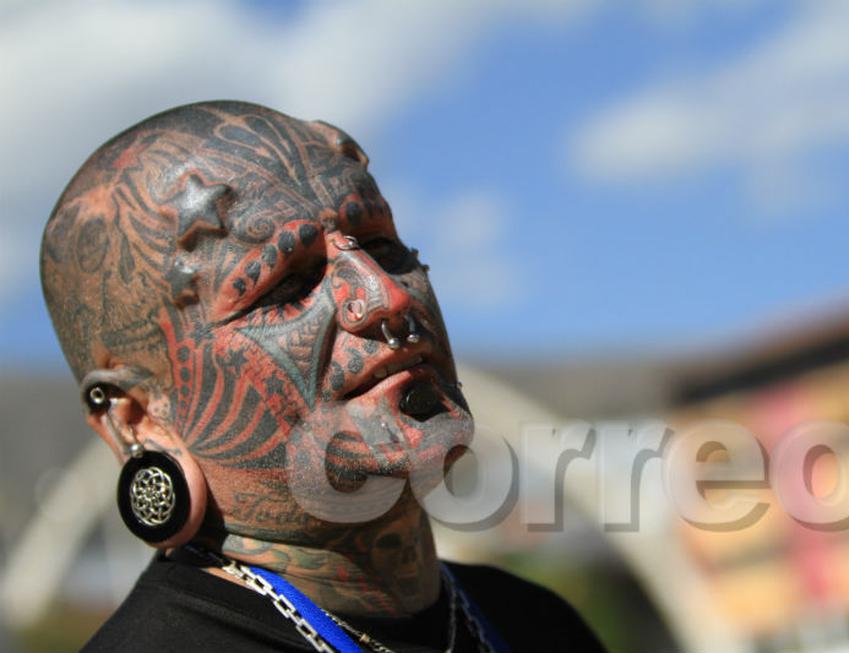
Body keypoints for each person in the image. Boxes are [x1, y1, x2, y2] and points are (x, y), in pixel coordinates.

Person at [40, 101, 608, 653]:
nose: (386, 297)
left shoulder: (539, 626)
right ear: (140, 418)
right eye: (286, 283)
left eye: (382, 246)